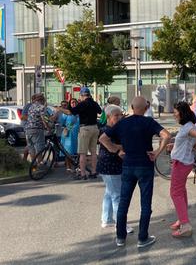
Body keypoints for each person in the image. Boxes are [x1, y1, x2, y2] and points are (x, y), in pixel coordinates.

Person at [99, 96, 171, 248]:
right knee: (145, 203)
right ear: (146, 108)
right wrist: (157, 152)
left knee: (124, 202)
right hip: (145, 165)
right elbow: (166, 135)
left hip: (127, 166)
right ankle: (142, 238)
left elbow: (103, 138)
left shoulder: (122, 123)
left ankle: (120, 237)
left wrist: (115, 150)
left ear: (131, 106)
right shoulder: (149, 122)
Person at [168, 102, 196, 238]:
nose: (174, 114)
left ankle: (185, 224)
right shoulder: (187, 126)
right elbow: (189, 140)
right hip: (183, 162)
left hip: (181, 163)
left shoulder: (188, 126)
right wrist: (175, 146)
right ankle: (182, 218)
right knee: (181, 192)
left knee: (175, 193)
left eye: (175, 112)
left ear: (181, 113)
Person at [97, 104, 133, 234]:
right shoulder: (106, 130)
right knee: (117, 196)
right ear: (108, 117)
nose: (119, 117)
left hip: (109, 165)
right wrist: (119, 148)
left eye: (120, 115)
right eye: (115, 115)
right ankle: (121, 224)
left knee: (109, 193)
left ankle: (107, 219)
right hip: (110, 165)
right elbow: (109, 146)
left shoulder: (113, 129)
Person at [60, 87, 102, 180]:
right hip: (95, 128)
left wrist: (60, 109)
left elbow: (70, 112)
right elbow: (100, 111)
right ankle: (94, 172)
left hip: (85, 128)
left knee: (82, 153)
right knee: (94, 152)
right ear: (89, 94)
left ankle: (83, 173)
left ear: (82, 95)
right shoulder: (94, 103)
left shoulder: (82, 104)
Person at [24, 94, 48, 162]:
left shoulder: (31, 107)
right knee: (39, 148)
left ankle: (33, 166)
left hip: (28, 130)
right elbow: (44, 119)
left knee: (31, 149)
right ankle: (40, 165)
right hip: (37, 129)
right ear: (43, 100)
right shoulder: (41, 107)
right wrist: (47, 127)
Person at [59, 98, 80, 173]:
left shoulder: (80, 112)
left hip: (78, 134)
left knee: (78, 151)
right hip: (69, 134)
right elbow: (61, 122)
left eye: (75, 102)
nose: (74, 104)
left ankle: (77, 166)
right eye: (72, 102)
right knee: (68, 151)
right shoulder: (66, 113)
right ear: (70, 104)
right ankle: (68, 167)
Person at [21, 94, 37, 160]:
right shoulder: (28, 106)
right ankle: (33, 164)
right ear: (33, 100)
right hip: (28, 127)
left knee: (30, 145)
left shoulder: (39, 107)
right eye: (38, 99)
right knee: (31, 145)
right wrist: (34, 119)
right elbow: (22, 117)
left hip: (35, 127)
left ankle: (24, 160)